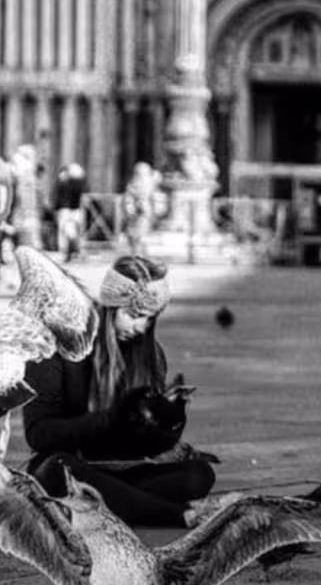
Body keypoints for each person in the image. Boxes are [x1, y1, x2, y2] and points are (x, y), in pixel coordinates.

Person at [24, 255, 217, 528]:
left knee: (199, 474)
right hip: (70, 465)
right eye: (133, 316)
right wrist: (110, 419)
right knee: (58, 469)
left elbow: (143, 447)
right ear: (109, 308)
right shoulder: (56, 348)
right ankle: (174, 514)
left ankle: (116, 505)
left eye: (149, 319)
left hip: (119, 470)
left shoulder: (151, 354)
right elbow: (39, 435)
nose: (141, 327)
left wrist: (171, 419)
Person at [121, 161, 161, 256]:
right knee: (133, 234)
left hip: (145, 211)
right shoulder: (132, 185)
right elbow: (128, 199)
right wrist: (130, 209)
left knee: (141, 234)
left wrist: (155, 211)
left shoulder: (150, 184)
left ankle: (141, 254)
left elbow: (154, 197)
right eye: (139, 172)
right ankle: (135, 253)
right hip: (135, 212)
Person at [54, 162, 87, 263]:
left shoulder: (64, 180)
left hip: (67, 210)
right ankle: (73, 251)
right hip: (73, 210)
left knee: (66, 232)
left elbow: (58, 197)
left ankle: (69, 251)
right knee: (71, 232)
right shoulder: (78, 181)